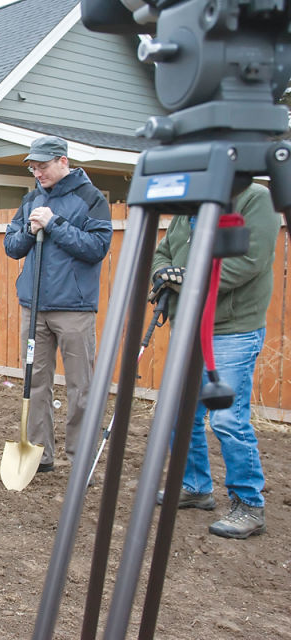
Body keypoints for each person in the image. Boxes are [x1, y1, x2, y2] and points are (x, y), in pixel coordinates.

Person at [152, 182, 279, 539]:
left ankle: (249, 504)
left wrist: (188, 279)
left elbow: (250, 261)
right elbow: (163, 253)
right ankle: (194, 487)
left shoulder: (254, 198)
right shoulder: (194, 200)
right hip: (188, 325)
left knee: (227, 419)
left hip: (232, 328)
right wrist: (163, 274)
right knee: (180, 413)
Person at [3, 135, 112, 473]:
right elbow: (11, 246)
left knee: (81, 386)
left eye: (43, 166)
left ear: (63, 161)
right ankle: (39, 453)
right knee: (35, 382)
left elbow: (97, 247)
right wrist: (30, 229)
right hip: (33, 306)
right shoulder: (31, 199)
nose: (38, 173)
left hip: (74, 308)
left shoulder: (90, 198)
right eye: (33, 168)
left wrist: (55, 224)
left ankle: (81, 460)